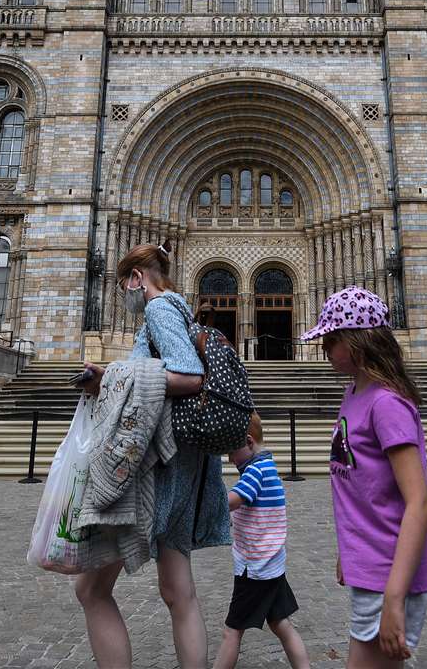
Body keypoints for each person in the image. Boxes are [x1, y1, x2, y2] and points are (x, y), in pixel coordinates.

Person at [73, 243, 231, 669]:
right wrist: (108, 377)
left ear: (138, 278)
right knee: (179, 592)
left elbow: (189, 375)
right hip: (186, 461)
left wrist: (118, 375)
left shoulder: (159, 309)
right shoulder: (181, 309)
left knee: (91, 591)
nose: (124, 291)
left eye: (125, 282)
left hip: (157, 468)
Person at [304, 287, 427, 667]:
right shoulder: (355, 393)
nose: (324, 348)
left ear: (358, 342)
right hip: (374, 559)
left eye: (332, 339)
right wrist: (349, 552)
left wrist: (394, 597)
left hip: (391, 569)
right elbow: (361, 483)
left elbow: (419, 501)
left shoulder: (387, 403)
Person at [215, 412, 310, 669]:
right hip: (272, 564)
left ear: (248, 442)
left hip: (255, 568)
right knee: (281, 624)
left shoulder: (255, 471)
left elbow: (233, 501)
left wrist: (205, 506)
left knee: (232, 631)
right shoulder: (268, 466)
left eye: (232, 452)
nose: (230, 459)